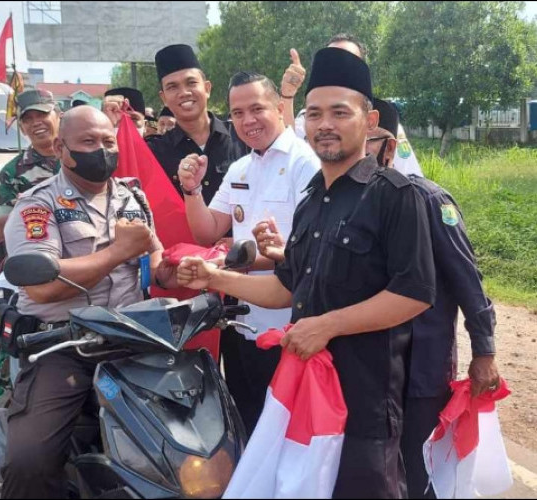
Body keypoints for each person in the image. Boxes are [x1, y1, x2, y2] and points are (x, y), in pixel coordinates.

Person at [178, 47, 436, 498]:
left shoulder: (395, 195)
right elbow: (287, 286)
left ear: (368, 119)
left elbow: (414, 292)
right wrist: (213, 278)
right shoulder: (315, 197)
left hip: (366, 395)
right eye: (314, 114)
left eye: (340, 112)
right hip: (304, 389)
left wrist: (327, 325)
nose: (325, 124)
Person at [0, 106, 176, 499]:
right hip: (62, 346)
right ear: (61, 147)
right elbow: (41, 289)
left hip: (130, 339)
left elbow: (153, 260)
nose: (102, 149)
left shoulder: (132, 195)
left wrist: (178, 272)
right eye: (88, 142)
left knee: (184, 441)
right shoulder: (37, 205)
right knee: (29, 460)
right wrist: (116, 252)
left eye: (108, 141)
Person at [368, 98, 501, 499]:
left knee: (421, 471)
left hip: (422, 370)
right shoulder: (350, 203)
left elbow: (467, 281)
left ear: (389, 147)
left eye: (368, 139)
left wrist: (485, 351)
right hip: (369, 372)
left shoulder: (428, 201)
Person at [177, 71, 320, 435]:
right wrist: (191, 191)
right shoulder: (242, 167)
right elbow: (208, 228)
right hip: (241, 320)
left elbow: (305, 255)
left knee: (286, 429)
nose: (247, 120)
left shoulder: (307, 164)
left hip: (288, 323)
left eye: (256, 108)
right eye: (237, 113)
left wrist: (226, 264)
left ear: (278, 106)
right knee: (248, 417)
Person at [281, 33, 424, 177]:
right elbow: (288, 148)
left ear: (371, 120)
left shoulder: (387, 123)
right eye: (331, 59)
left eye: (347, 60)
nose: (326, 125)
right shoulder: (310, 118)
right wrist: (288, 95)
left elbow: (410, 176)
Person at [147, 44, 248, 204]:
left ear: (207, 88)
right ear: (164, 98)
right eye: (172, 87)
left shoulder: (242, 137)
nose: (184, 93)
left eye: (191, 83)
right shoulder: (154, 152)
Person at [0, 89, 62, 242]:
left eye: (42, 114)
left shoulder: (81, 155)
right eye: (28, 119)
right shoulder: (12, 172)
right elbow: (0, 229)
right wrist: (26, 209)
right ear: (22, 128)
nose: (36, 122)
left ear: (59, 116)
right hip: (39, 249)